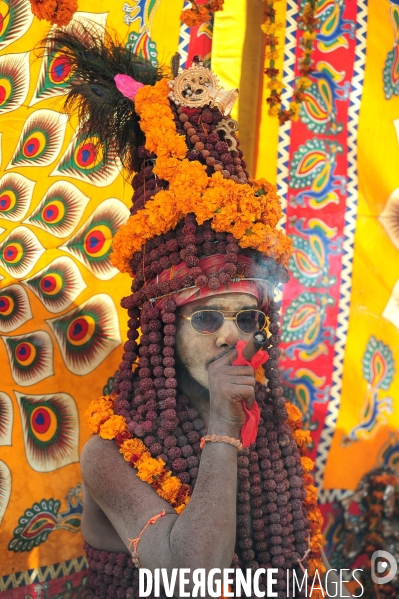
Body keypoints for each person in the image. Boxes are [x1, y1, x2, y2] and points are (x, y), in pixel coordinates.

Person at [50, 22, 330, 599]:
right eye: (207, 319)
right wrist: (223, 430)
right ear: (161, 330)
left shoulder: (273, 427)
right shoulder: (114, 449)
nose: (232, 337)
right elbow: (191, 579)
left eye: (246, 318)